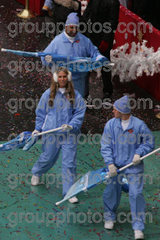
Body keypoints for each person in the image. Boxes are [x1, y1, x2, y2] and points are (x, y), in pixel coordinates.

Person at [101, 95, 154, 239]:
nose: (113, 111)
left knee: (136, 194)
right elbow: (105, 145)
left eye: (115, 109)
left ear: (122, 111)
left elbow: (149, 142)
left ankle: (138, 227)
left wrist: (139, 153)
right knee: (111, 190)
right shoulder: (111, 125)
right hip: (116, 165)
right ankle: (109, 217)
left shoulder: (138, 125)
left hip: (133, 166)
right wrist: (110, 163)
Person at [31, 67, 86, 203]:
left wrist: (72, 125)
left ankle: (69, 192)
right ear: (56, 78)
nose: (62, 79)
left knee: (69, 163)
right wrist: (38, 129)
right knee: (48, 157)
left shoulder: (75, 95)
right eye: (60, 77)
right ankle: (37, 172)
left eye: (64, 77)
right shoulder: (48, 94)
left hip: (69, 134)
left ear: (68, 78)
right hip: (51, 133)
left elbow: (79, 113)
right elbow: (41, 113)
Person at [41, 12, 105, 98]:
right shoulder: (57, 41)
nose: (74, 30)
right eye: (71, 27)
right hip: (62, 82)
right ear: (66, 26)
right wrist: (48, 59)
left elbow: (94, 52)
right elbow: (44, 56)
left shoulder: (84, 40)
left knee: (78, 105)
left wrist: (98, 57)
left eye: (76, 27)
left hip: (80, 82)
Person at [82, 0, 120, 98]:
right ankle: (83, 90)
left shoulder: (113, 2)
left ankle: (108, 90)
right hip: (91, 35)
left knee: (105, 65)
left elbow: (113, 22)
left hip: (104, 38)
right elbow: (87, 13)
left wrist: (106, 39)